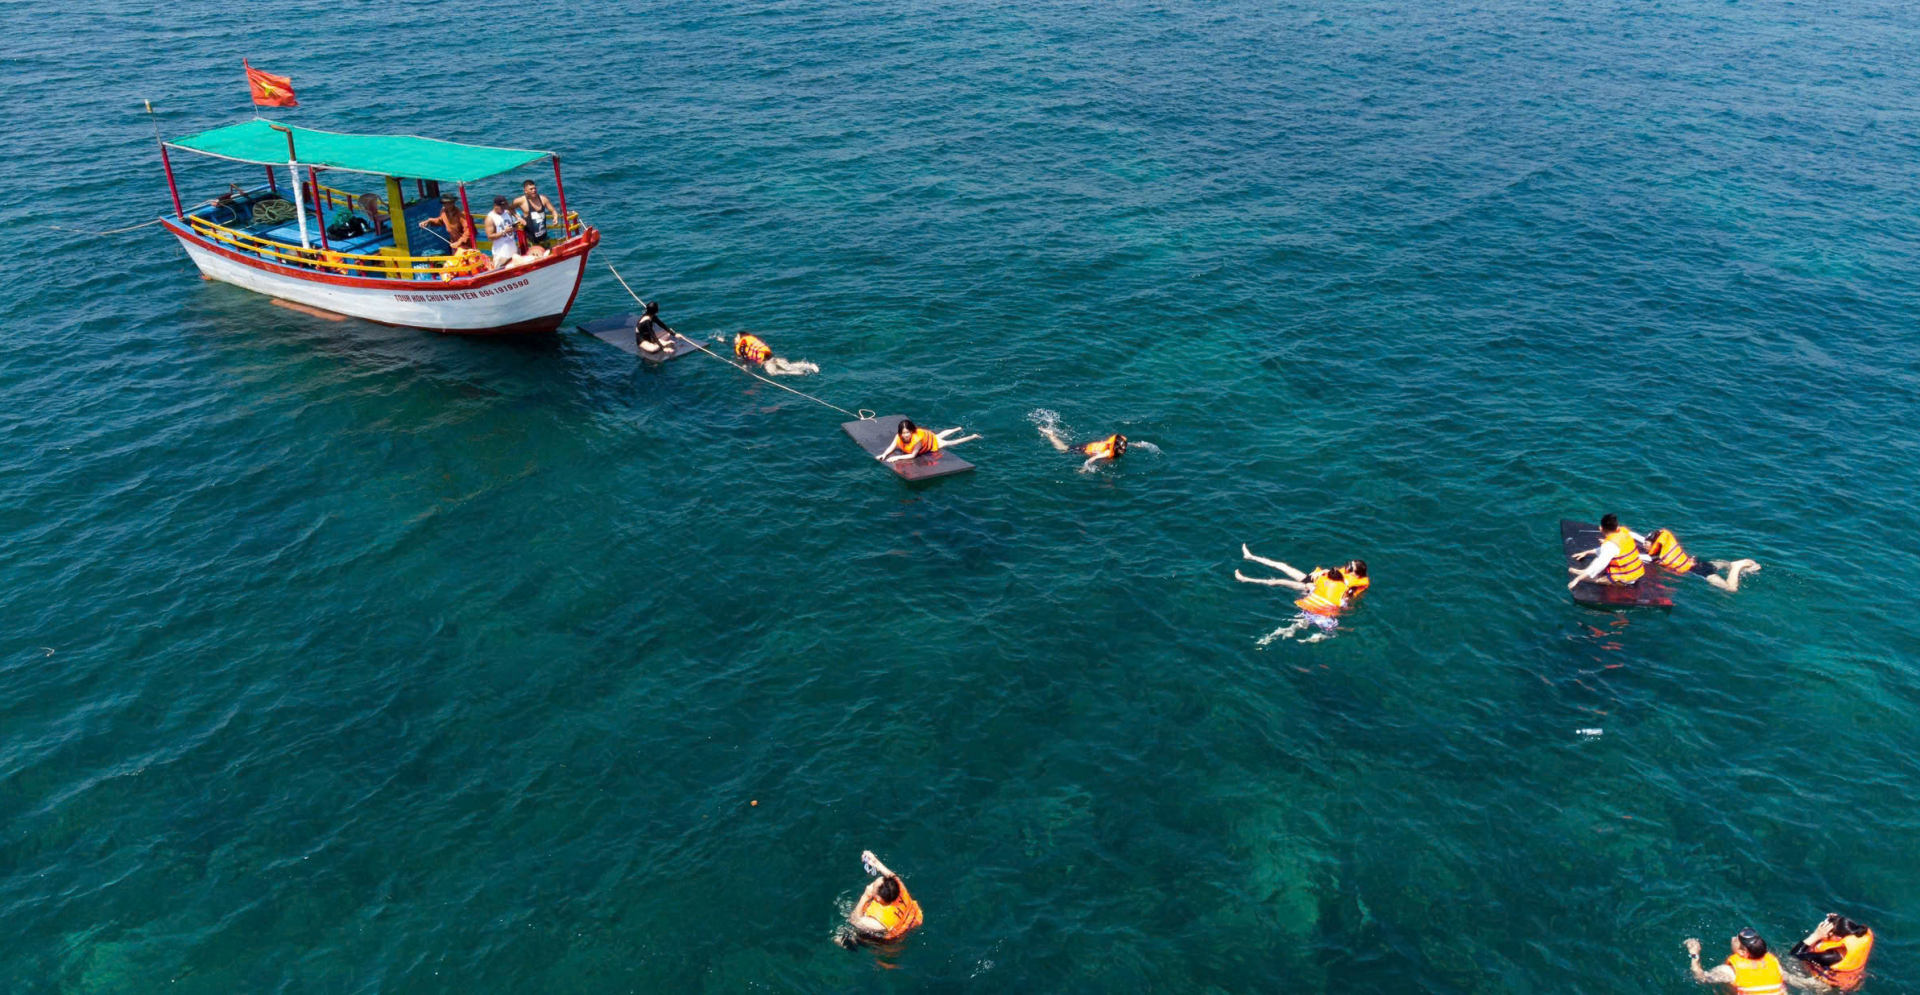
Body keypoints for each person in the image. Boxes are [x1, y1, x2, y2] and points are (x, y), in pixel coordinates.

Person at [842, 850, 922, 946]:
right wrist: (875, 862)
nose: (870, 885)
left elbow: (854, 921)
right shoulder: (898, 887)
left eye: (873, 886)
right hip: (911, 918)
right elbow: (892, 876)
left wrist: (865, 896)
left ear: (878, 899)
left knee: (842, 938)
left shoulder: (879, 923)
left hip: (892, 938)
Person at [1643, 527, 1762, 592]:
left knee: (1730, 588)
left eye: (1646, 543)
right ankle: (1747, 567)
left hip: (1699, 572)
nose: (1644, 544)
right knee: (1727, 565)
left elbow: (1641, 558)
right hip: (1698, 563)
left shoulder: (1658, 559)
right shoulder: (1667, 548)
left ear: (1654, 545)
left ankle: (1737, 566)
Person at [1687, 929, 1785, 995]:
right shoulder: (1774, 963)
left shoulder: (1729, 971)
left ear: (1743, 952)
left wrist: (1694, 954)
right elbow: (1790, 978)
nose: (1732, 938)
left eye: (1735, 940)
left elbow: (1700, 978)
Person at [1791, 914, 1874, 990]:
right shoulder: (1859, 933)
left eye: (1827, 933)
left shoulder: (1830, 956)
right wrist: (1836, 919)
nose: (1823, 933)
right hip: (1854, 979)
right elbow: (1843, 925)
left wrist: (1815, 935)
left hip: (1827, 986)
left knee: (1786, 976)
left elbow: (1794, 955)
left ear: (1837, 938)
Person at [1568, 513, 1645, 590]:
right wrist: (1586, 552)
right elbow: (1609, 550)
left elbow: (1599, 565)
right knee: (1598, 559)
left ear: (1600, 528)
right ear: (1617, 527)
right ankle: (1584, 571)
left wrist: (1577, 579)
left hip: (1627, 578)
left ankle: (1584, 574)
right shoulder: (1624, 532)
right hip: (1635, 570)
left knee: (1589, 579)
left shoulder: (1609, 545)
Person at [877, 418, 977, 463]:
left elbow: (913, 455)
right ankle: (958, 429)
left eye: (908, 432)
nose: (905, 435)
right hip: (929, 436)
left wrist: (897, 457)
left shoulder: (917, 440)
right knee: (940, 434)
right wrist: (884, 454)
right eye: (903, 433)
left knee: (953, 442)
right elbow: (891, 446)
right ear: (900, 433)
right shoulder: (898, 436)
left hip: (934, 443)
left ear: (912, 431)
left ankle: (972, 436)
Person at [513, 179, 560, 245]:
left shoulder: (543, 199)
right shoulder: (521, 201)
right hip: (530, 239)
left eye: (535, 188)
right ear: (525, 191)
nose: (534, 190)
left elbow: (553, 211)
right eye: (531, 189)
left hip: (544, 237)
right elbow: (509, 209)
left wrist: (555, 218)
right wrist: (518, 217)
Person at [484, 196, 522, 270]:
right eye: (501, 207)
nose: (503, 208)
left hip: (513, 251)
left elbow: (510, 210)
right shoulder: (490, 218)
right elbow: (490, 236)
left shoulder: (507, 212)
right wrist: (504, 231)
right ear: (495, 206)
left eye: (504, 206)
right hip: (501, 254)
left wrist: (517, 221)